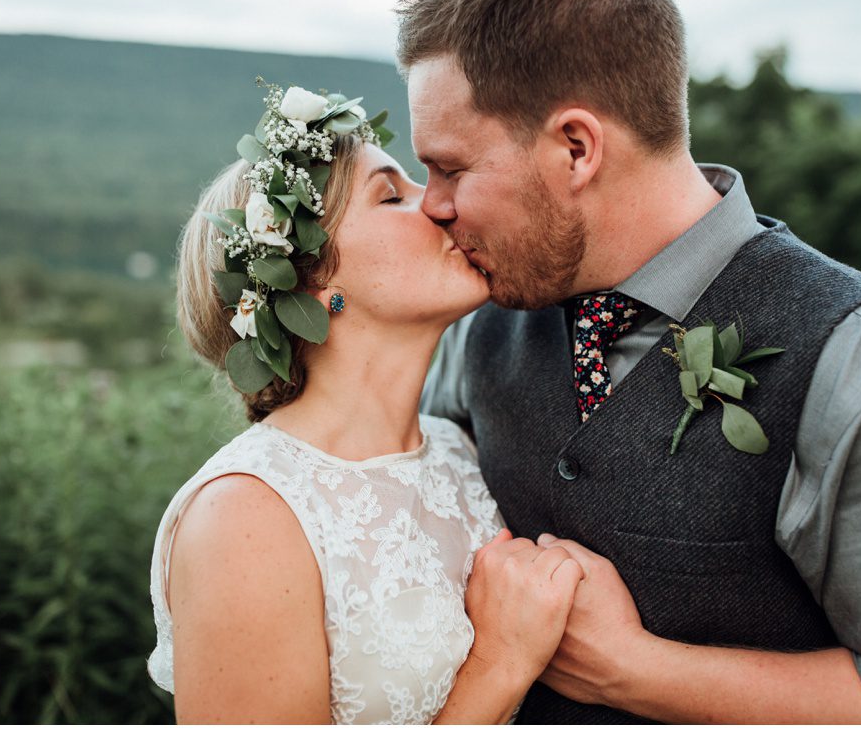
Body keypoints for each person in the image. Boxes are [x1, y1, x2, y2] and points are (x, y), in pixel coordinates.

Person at [403, 0, 861, 725]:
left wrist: (638, 671)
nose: (430, 205)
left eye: (451, 169)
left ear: (576, 147)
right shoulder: (481, 325)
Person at [146, 80, 584, 724]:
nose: (440, 205)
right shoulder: (244, 518)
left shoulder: (461, 450)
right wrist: (501, 663)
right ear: (313, 285)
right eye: (392, 195)